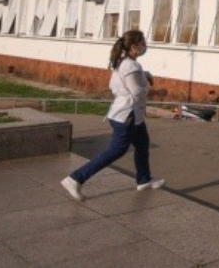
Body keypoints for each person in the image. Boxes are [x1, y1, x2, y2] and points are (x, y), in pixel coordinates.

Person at [61, 30, 165, 200]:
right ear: (134, 47)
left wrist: (144, 75)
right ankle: (75, 178)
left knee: (142, 143)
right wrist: (152, 87)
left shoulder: (124, 62)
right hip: (128, 115)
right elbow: (137, 91)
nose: (145, 46)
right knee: (116, 150)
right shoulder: (130, 65)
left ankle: (144, 179)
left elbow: (123, 82)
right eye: (142, 43)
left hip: (132, 114)